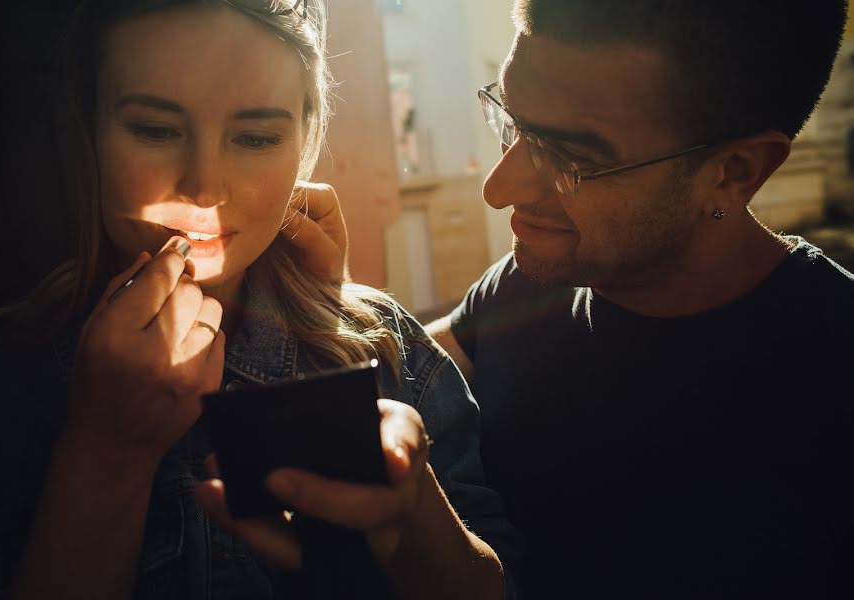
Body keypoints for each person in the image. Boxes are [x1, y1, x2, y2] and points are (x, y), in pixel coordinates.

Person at [0, 1, 522, 598]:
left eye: (254, 137)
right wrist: (106, 455)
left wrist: (416, 527)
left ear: (304, 144)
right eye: (155, 129)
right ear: (86, 129)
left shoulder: (386, 347)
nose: (205, 186)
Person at [297, 1, 854, 598]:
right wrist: (331, 309)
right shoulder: (523, 289)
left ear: (735, 171)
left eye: (570, 159)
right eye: (512, 122)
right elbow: (407, 379)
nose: (498, 187)